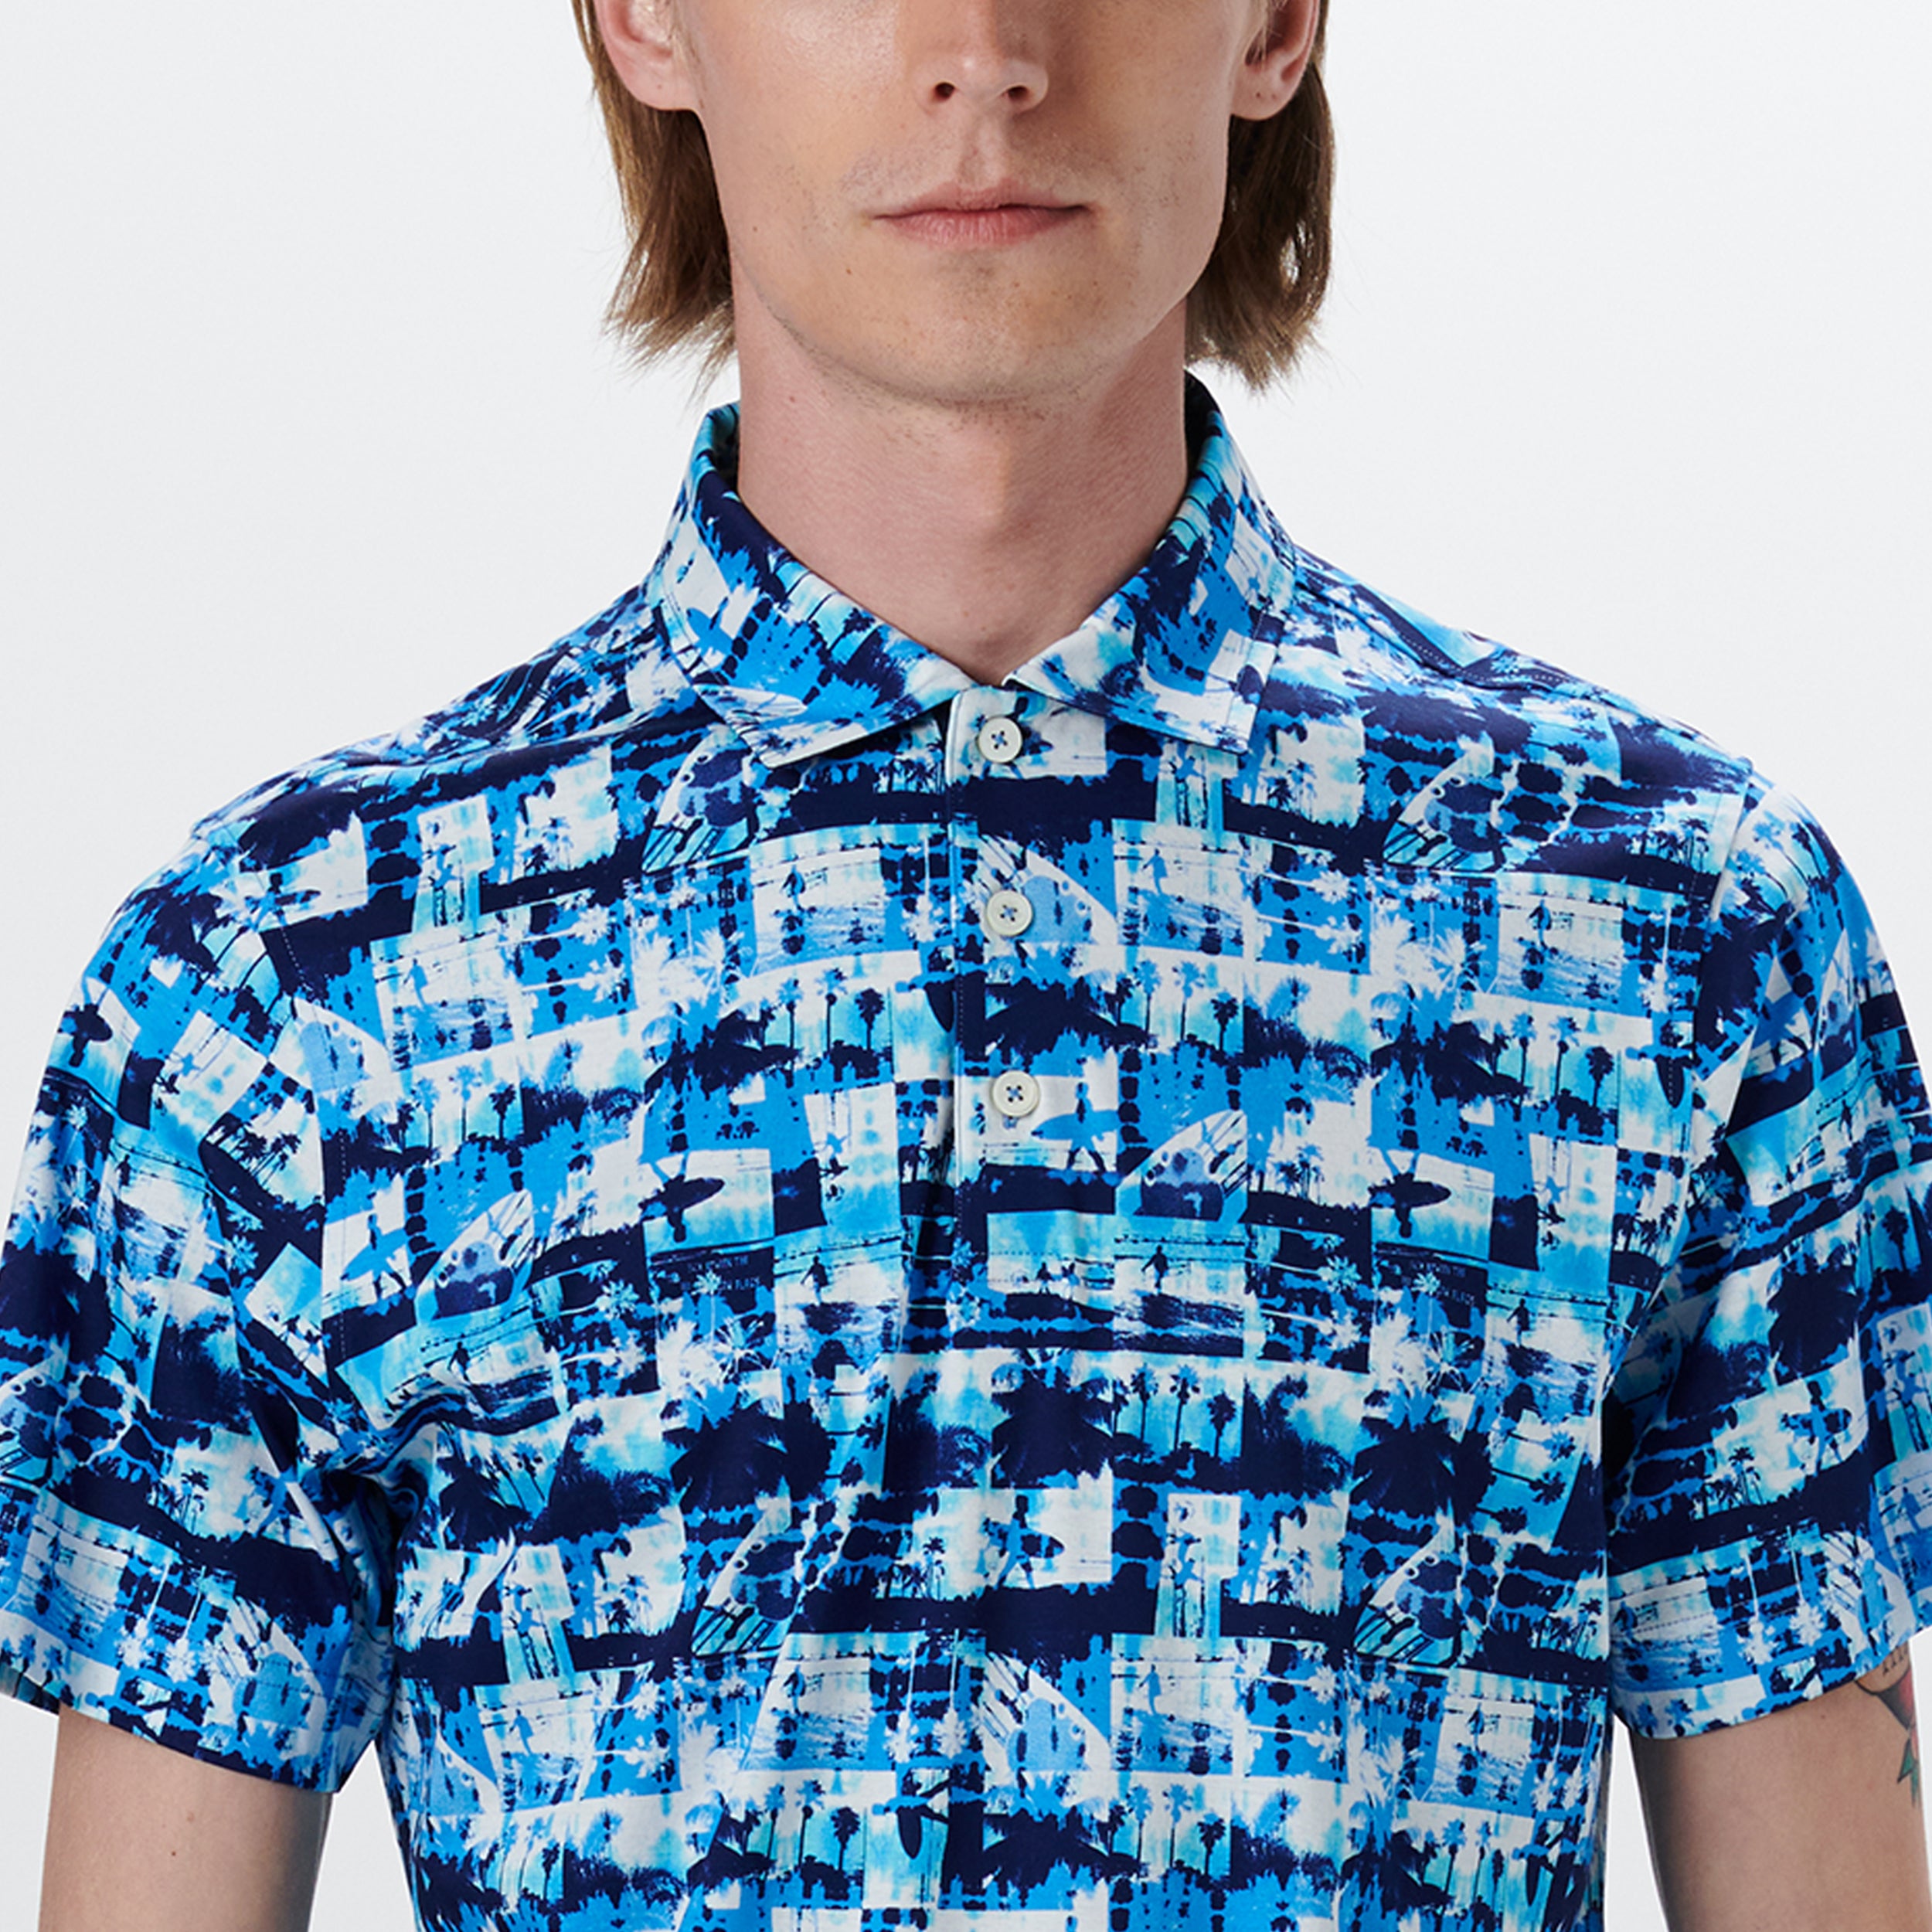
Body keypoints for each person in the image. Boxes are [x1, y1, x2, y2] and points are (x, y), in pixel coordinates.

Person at [3, 2, 1930, 1928]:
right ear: (645, 18)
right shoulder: (286, 993)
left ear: (1272, 20)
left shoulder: (1673, 936)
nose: (986, 49)